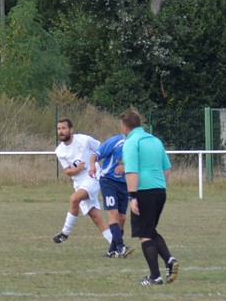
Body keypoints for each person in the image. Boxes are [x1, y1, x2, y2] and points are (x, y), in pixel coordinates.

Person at [120, 109, 178, 286]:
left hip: (143, 191)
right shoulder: (155, 140)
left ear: (124, 127)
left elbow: (131, 171)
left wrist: (132, 197)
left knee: (144, 233)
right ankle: (169, 260)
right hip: (159, 190)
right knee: (150, 230)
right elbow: (167, 168)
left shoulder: (131, 142)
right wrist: (159, 186)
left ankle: (155, 276)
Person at [52, 118, 113, 246]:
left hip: (92, 177)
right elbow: (68, 171)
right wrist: (77, 169)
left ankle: (65, 233)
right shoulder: (59, 151)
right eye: (59, 129)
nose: (61, 131)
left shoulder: (84, 140)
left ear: (71, 130)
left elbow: (102, 149)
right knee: (95, 216)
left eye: (64, 128)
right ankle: (116, 245)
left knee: (74, 199)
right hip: (79, 183)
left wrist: (105, 166)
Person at [88, 134, 133, 258]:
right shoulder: (115, 142)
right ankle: (121, 247)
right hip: (108, 181)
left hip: (124, 184)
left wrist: (126, 166)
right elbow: (94, 155)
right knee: (114, 214)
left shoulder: (136, 144)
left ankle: (112, 251)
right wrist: (92, 167)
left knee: (122, 218)